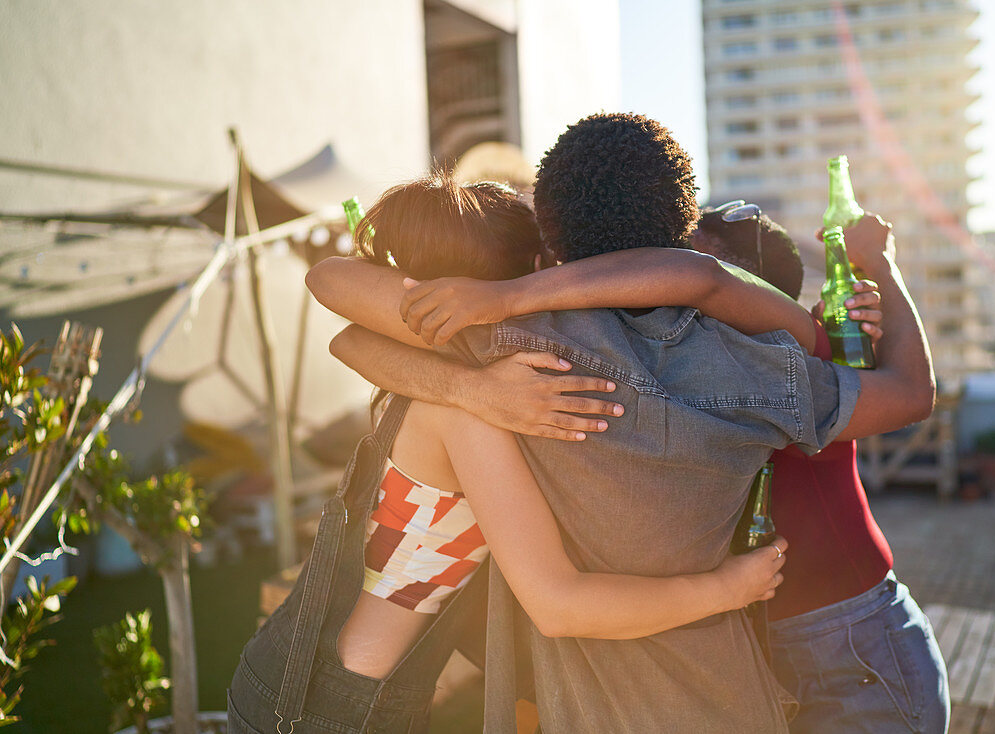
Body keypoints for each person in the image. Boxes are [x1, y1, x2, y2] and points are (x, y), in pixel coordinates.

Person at [309, 112, 935, 733]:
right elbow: (904, 392)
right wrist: (879, 265)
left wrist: (477, 378)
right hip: (746, 680)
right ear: (681, 229)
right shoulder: (762, 366)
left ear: (550, 239)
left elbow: (336, 297)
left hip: (616, 690)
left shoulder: (513, 348)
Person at [226, 176, 793, 734]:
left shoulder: (423, 370)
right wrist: (726, 589)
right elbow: (559, 606)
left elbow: (342, 322)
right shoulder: (474, 409)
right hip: (332, 707)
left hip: (293, 669)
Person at [691, 206, 950, 734]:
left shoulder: (800, 356)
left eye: (697, 259)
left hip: (858, 652)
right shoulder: (698, 357)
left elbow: (913, 391)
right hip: (794, 648)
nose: (679, 274)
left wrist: (879, 263)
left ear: (746, 281)